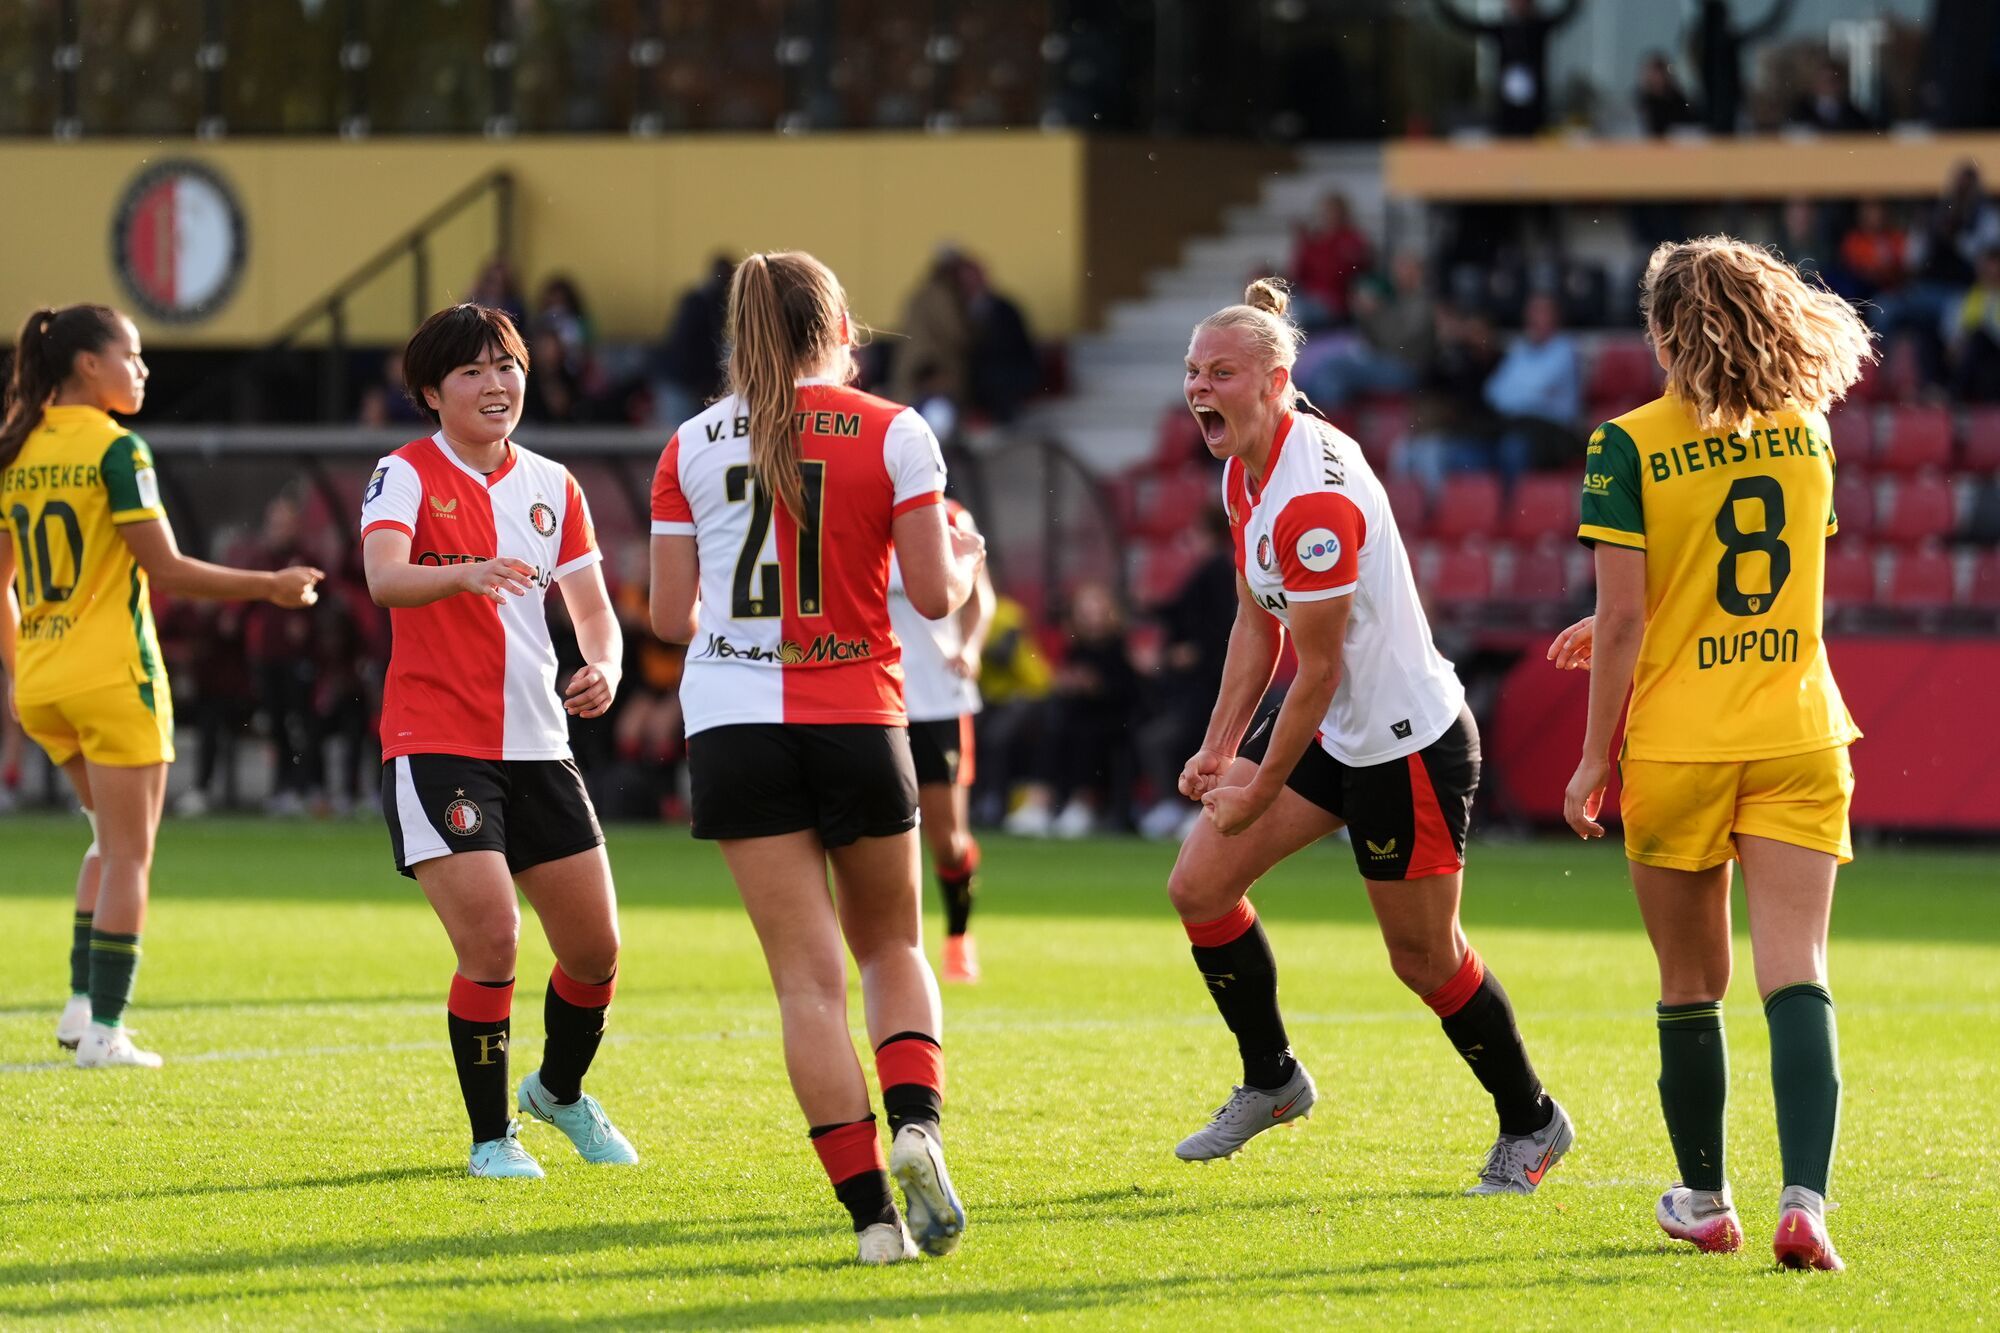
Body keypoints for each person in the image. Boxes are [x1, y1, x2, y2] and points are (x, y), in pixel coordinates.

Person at [1166, 279, 1573, 1193]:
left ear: (1275, 381)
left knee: (1424, 958)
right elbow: (1253, 620)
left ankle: (1534, 1122)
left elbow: (1312, 670)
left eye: (1220, 372)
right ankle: (1272, 1079)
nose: (1198, 388)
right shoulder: (1244, 471)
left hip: (1406, 744)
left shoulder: (1311, 497)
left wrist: (1259, 783)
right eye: (1192, 371)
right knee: (1199, 884)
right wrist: (1216, 741)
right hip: (1338, 725)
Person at [649, 250, 987, 1265]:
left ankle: (872, 1222)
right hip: (856, 711)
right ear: (841, 326)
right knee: (890, 948)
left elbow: (669, 616)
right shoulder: (896, 430)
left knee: (805, 982)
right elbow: (930, 598)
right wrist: (963, 565)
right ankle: (917, 1125)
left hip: (731, 726)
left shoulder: (691, 443)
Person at [1554, 235, 1871, 1271]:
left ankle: (1702, 1199)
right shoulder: (1806, 433)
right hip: (1795, 728)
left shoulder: (1624, 444)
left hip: (1679, 745)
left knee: (1689, 981)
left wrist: (1593, 758)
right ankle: (1805, 1201)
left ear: (1659, 329)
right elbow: (1765, 578)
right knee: (1798, 971)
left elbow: (1625, 619)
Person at [0, 304, 322, 1068]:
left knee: (104, 842)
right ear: (87, 365)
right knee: (130, 857)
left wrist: (25, 670)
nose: (142, 369)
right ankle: (107, 1031)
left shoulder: (15, 448)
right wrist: (271, 584)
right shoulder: (117, 449)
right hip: (114, 676)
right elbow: (169, 567)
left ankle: (81, 1008)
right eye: (133, 355)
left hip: (44, 682)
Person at [359, 304, 637, 1180]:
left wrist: (604, 665)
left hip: (540, 743)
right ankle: (490, 1139)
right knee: (494, 942)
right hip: (437, 737)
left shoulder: (556, 485)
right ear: (432, 391)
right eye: (474, 371)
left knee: (594, 950)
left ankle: (557, 1092)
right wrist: (466, 572)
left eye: (508, 366)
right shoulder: (402, 472)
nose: (496, 384)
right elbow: (382, 578)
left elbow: (594, 610)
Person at [889, 499, 994, 983]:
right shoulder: (850, 507)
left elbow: (980, 596)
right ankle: (892, 949)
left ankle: (958, 935)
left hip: (937, 698)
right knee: (879, 832)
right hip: (872, 696)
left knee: (947, 841)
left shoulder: (950, 517)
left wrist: (969, 647)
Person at [1431, 0, 1582, 138]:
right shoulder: (1502, 30)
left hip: (1535, 110)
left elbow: (1566, 15)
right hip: (1506, 110)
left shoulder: (1539, 28)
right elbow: (1464, 24)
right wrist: (1442, 6)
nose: (1519, 5)